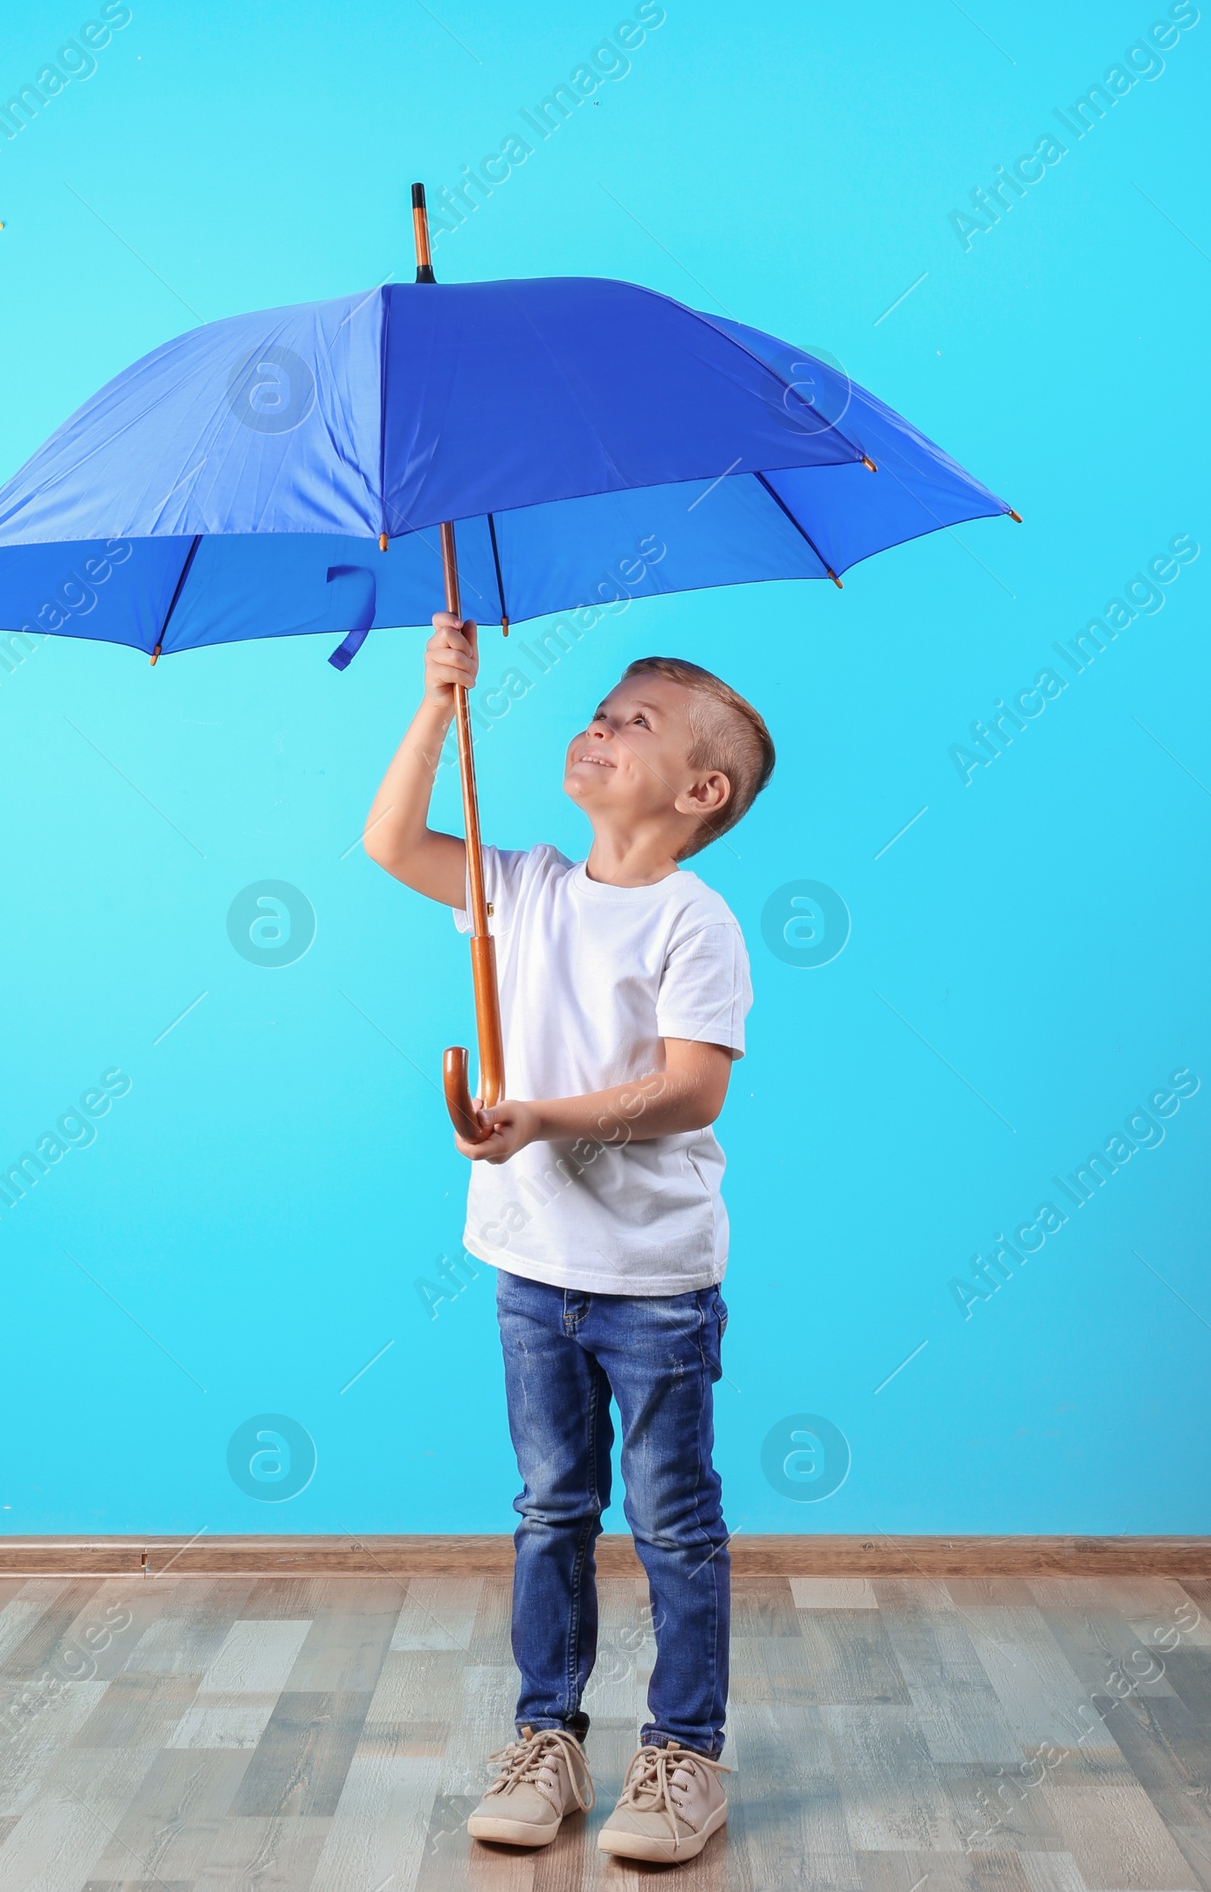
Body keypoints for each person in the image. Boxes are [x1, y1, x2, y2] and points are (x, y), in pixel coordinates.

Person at [363, 617, 774, 1865]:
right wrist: (437, 706)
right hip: (532, 1271)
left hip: (651, 1282)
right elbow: (389, 843)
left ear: (699, 793)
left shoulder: (693, 922)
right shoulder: (529, 883)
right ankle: (548, 1738)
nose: (595, 726)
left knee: (671, 1523)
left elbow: (693, 1089)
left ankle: (682, 1755)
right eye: (597, 710)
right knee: (552, 1509)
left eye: (631, 721)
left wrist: (540, 1115)